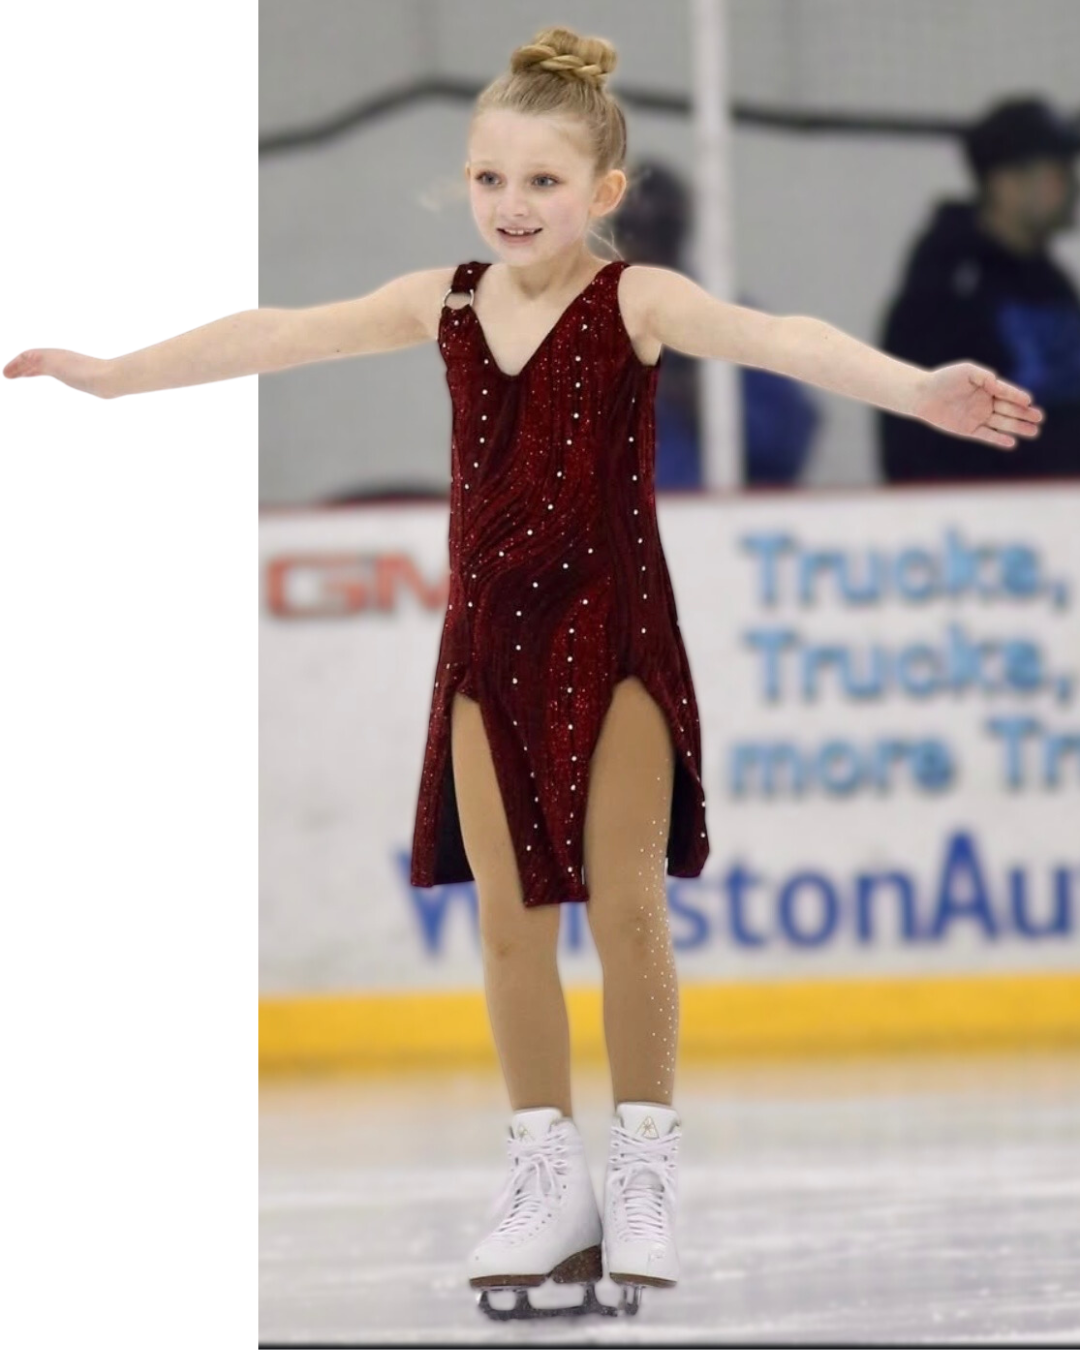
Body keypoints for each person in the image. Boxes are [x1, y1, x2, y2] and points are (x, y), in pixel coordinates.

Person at [3, 24, 1045, 1322]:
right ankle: (546, 1175)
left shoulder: (637, 301)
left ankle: (645, 1165)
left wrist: (916, 387)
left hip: (613, 637)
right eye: (492, 179)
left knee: (624, 906)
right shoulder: (442, 304)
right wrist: (115, 379)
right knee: (505, 921)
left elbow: (786, 335)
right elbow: (281, 329)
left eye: (543, 183)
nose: (512, 205)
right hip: (485, 651)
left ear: (603, 192)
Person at [878, 96, 1080, 483]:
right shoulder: (948, 287)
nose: (1071, 186)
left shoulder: (1053, 282)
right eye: (1058, 172)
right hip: (987, 525)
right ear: (1006, 184)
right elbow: (919, 432)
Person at [612, 158, 820, 487]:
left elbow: (790, 437)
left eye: (662, 229)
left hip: (708, 523)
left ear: (681, 232)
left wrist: (710, 405)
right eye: (632, 227)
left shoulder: (727, 321)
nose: (646, 244)